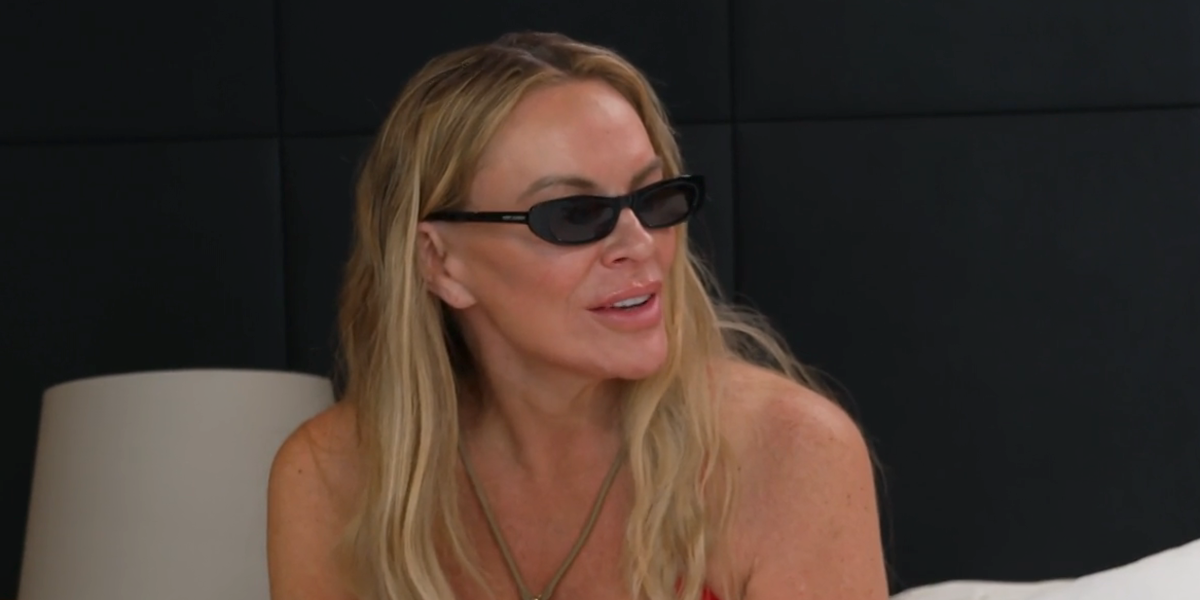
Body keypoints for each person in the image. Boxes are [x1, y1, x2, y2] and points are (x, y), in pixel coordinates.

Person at [267, 31, 887, 600]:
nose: (639, 244)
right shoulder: (331, 476)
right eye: (574, 215)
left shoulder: (790, 455)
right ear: (441, 261)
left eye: (653, 197)